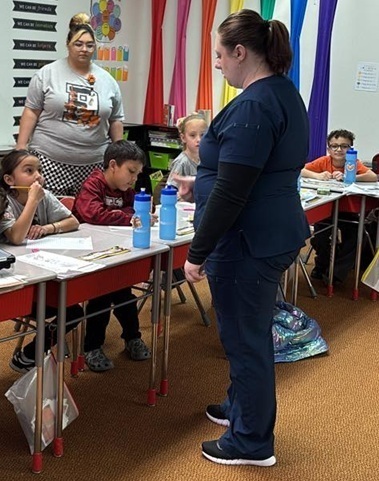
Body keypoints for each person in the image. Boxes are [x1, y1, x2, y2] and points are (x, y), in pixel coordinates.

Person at [175, 9, 310, 467]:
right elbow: (244, 170)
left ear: (240, 52)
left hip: (248, 240)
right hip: (267, 230)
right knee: (244, 334)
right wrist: (202, 181)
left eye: (218, 55)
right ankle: (239, 409)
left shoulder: (254, 104)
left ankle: (251, 442)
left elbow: (234, 191)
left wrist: (198, 253)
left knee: (245, 340)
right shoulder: (279, 92)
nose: (216, 64)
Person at [15, 13, 124, 196]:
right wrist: (21, 147)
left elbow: (116, 120)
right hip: (50, 160)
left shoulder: (108, 81)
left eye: (90, 45)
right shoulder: (47, 73)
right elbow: (31, 111)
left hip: (93, 163)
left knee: (88, 216)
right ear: (68, 45)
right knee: (48, 216)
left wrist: (121, 156)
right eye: (78, 44)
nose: (84, 49)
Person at [0, 149, 83, 373]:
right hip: (17, 282)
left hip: (43, 273)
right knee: (69, 310)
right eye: (29, 171)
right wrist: (33, 202)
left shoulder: (43, 195)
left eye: (39, 170)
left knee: (73, 309)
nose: (38, 176)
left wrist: (48, 228)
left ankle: (34, 350)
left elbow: (73, 221)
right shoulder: (5, 200)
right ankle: (32, 353)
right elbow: (16, 237)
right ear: (10, 179)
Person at [72, 140, 151, 371]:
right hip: (86, 256)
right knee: (102, 295)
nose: (134, 179)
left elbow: (136, 209)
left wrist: (120, 214)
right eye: (131, 172)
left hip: (114, 252)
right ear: (113, 165)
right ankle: (91, 346)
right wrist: (124, 216)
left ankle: (132, 337)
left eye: (137, 174)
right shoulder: (93, 184)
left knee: (124, 292)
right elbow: (92, 214)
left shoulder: (126, 190)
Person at [301, 129, 377, 282]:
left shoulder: (353, 162)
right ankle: (322, 264)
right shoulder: (324, 161)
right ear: (328, 148)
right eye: (334, 146)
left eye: (344, 146)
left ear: (351, 148)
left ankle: (335, 273)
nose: (338, 150)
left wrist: (352, 177)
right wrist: (318, 175)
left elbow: (372, 176)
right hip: (325, 211)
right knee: (319, 237)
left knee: (356, 237)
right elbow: (302, 169)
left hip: (347, 213)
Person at [167, 113, 208, 191]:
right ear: (183, 138)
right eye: (192, 135)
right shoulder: (181, 162)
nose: (199, 139)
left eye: (202, 135)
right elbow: (170, 190)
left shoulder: (206, 159)